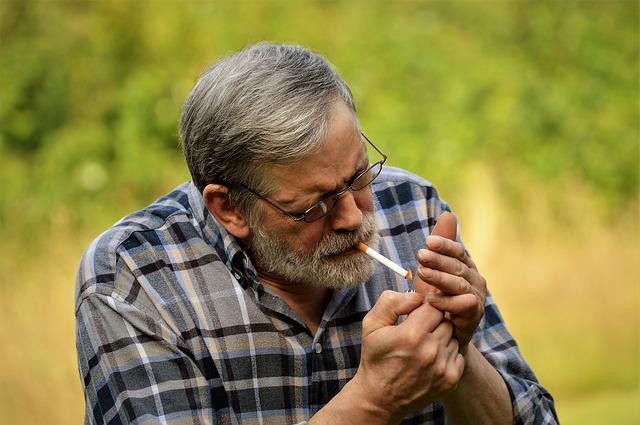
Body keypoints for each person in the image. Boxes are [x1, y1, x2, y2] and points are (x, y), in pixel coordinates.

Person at [75, 42, 558, 424]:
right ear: (228, 208)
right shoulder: (135, 280)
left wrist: (458, 348)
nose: (352, 216)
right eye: (314, 205)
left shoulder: (413, 209)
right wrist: (372, 402)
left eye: (358, 177)